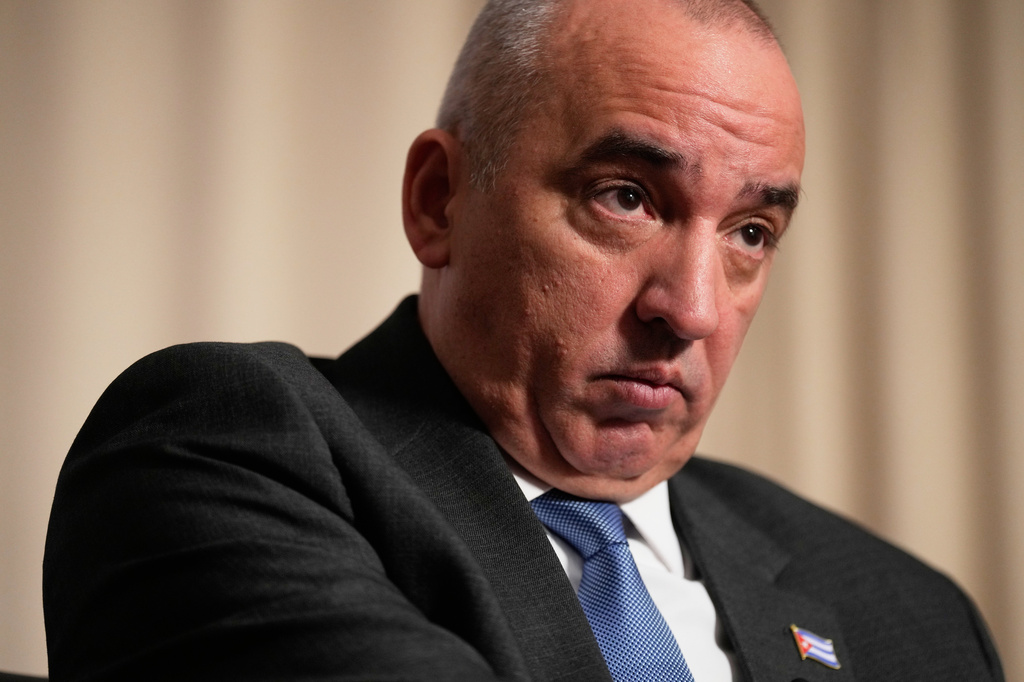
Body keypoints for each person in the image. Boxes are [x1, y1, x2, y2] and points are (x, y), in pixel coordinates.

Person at [43, 0, 1003, 680]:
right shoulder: (220, 449)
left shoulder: (908, 612)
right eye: (625, 197)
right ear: (439, 201)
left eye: (751, 232)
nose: (694, 308)